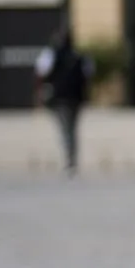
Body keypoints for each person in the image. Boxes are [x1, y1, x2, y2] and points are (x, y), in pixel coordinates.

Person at [33, 26, 90, 175]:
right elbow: (88, 75)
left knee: (66, 130)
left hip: (60, 99)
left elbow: (40, 72)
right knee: (72, 129)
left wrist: (40, 94)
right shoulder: (79, 56)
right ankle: (72, 159)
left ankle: (70, 160)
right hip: (75, 98)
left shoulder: (52, 54)